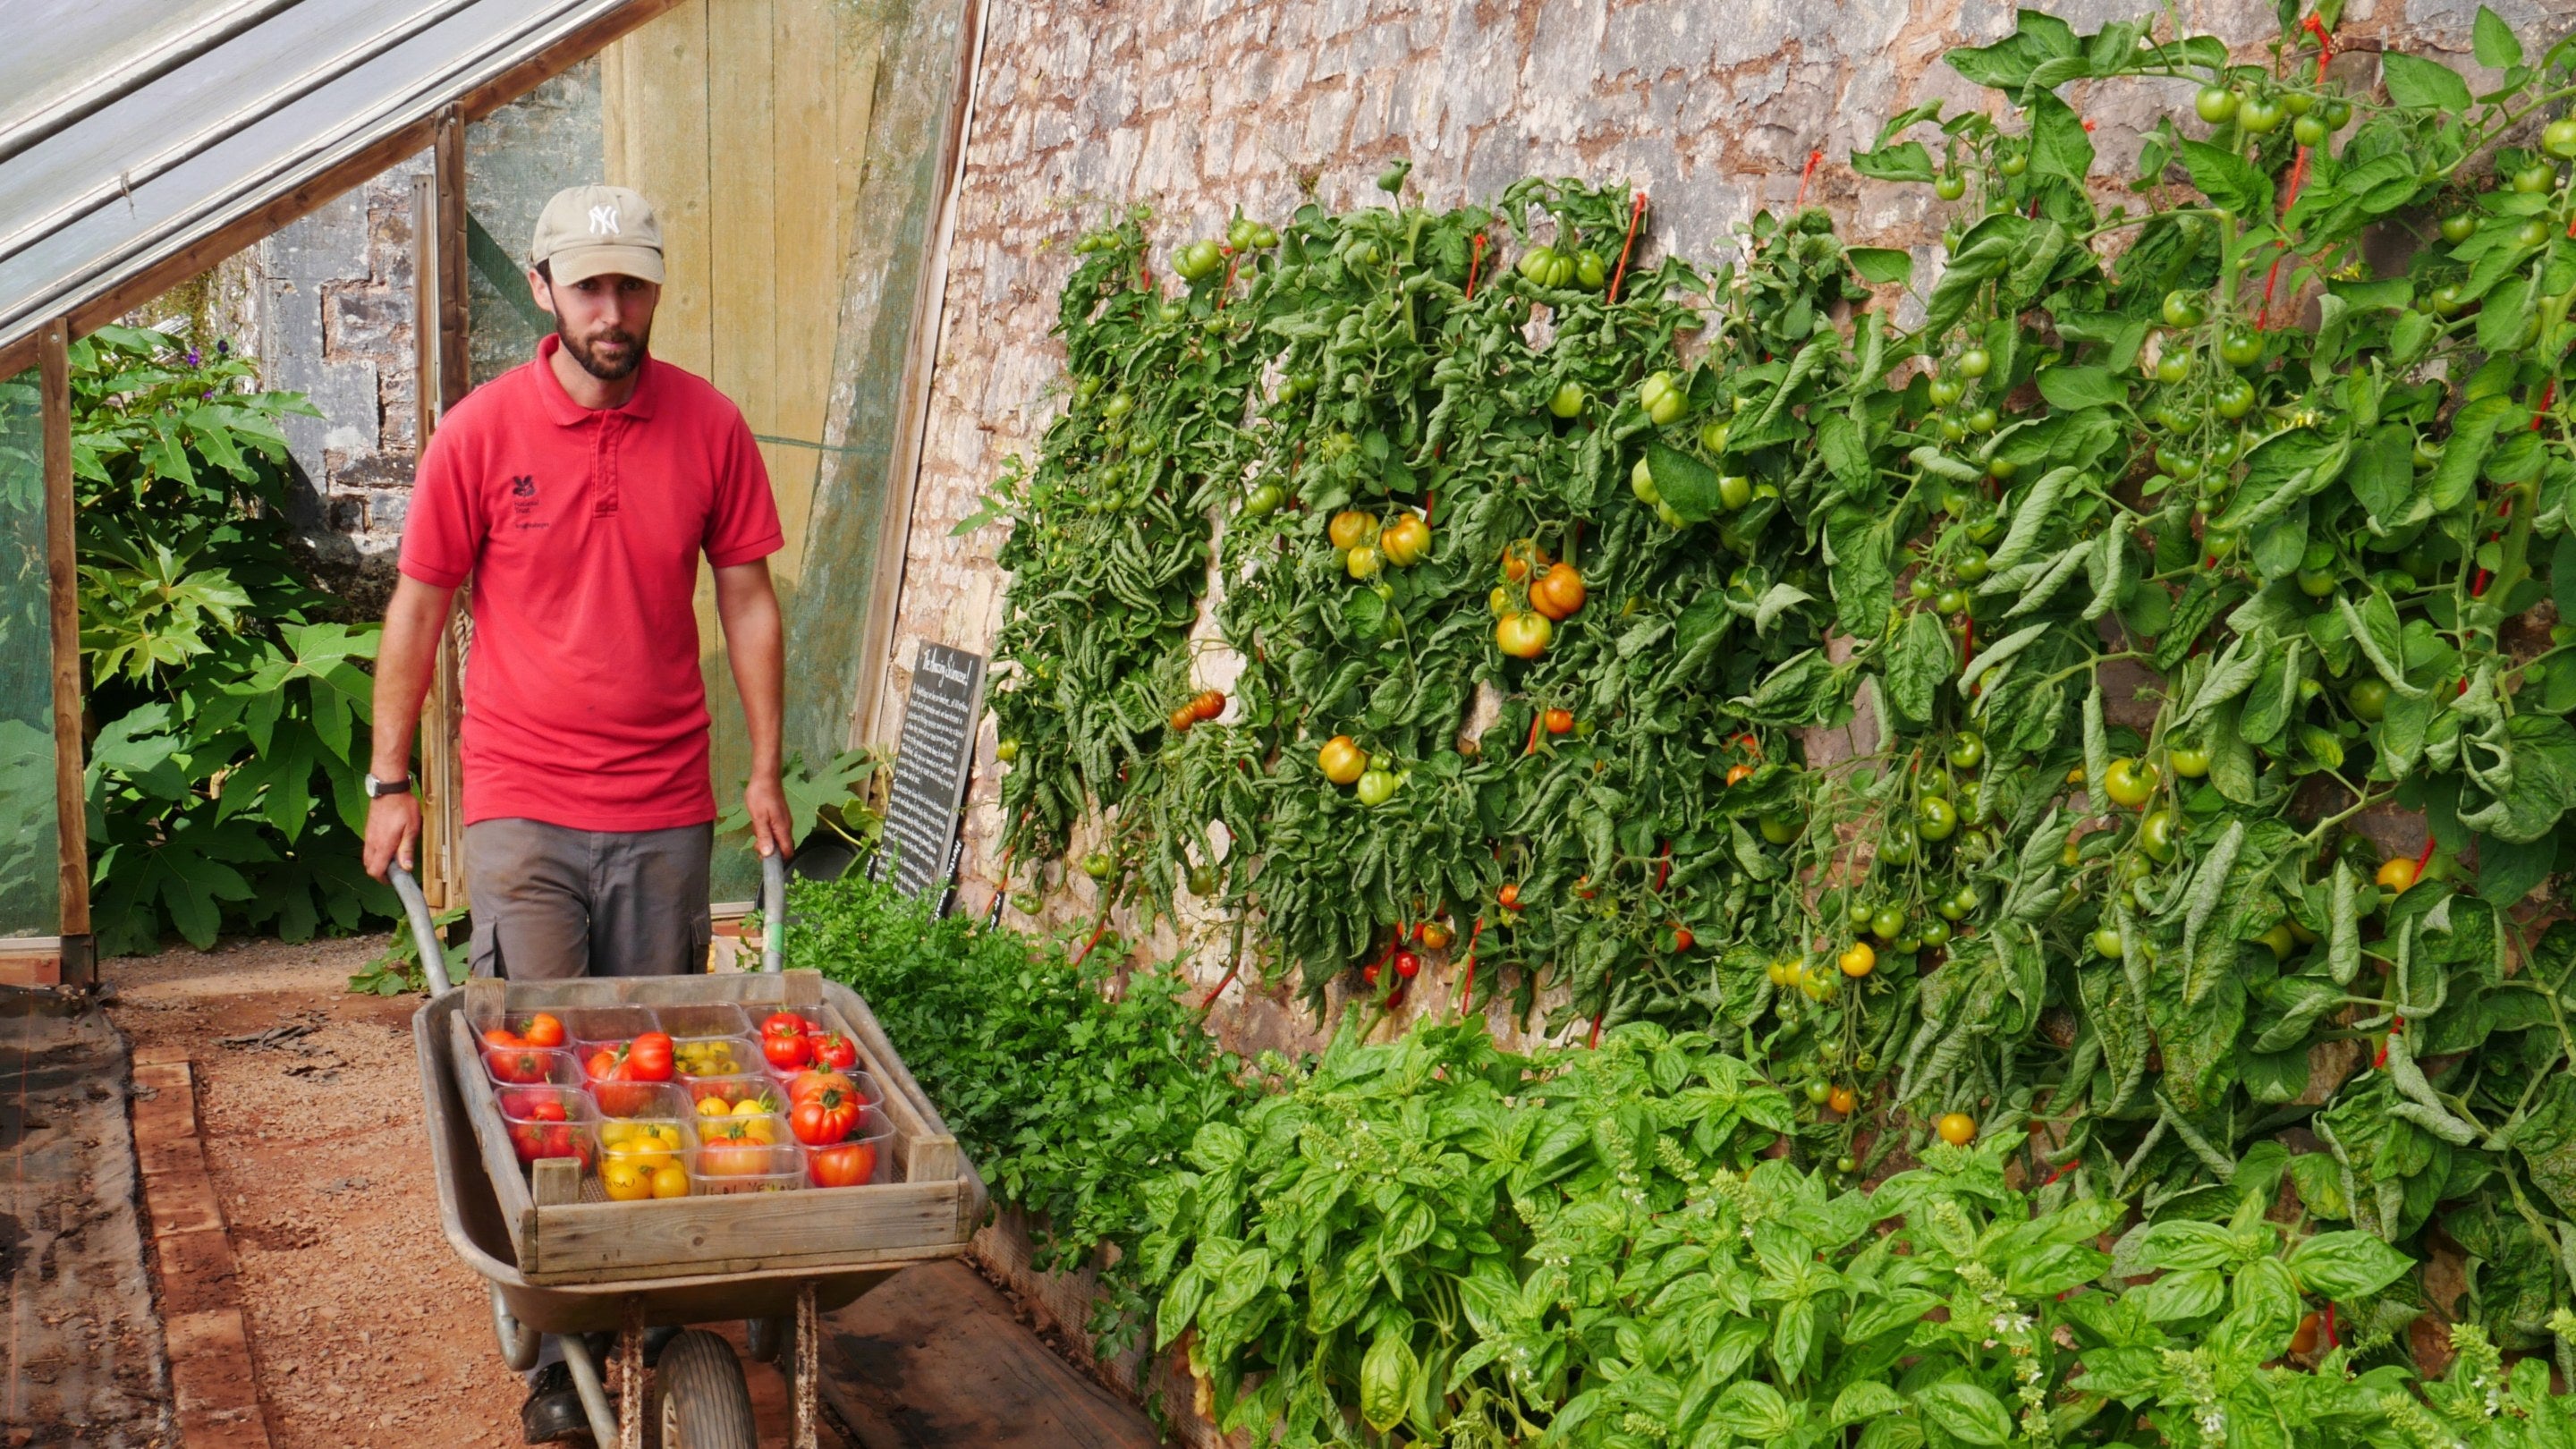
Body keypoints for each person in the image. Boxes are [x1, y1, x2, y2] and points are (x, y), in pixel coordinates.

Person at [361, 183, 792, 1444]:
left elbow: (749, 601)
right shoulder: (481, 433)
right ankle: (563, 1351)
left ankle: (645, 1305)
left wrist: (766, 768)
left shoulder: (709, 426)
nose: (615, 311)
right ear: (543, 290)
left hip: (666, 805)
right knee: (542, 1073)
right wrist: (395, 779)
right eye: (590, 287)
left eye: (635, 286)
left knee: (650, 1070)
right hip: (524, 806)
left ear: (657, 289)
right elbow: (421, 609)